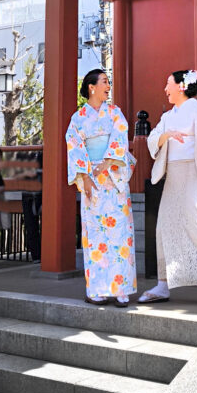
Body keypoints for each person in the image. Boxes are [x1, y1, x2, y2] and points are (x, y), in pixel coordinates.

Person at [140, 69, 197, 308]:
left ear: (181, 86)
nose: (165, 89)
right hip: (174, 177)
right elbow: (154, 138)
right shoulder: (169, 116)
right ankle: (163, 282)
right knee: (164, 226)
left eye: (168, 84)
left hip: (193, 173)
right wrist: (168, 134)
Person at [66, 69, 136, 306]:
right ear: (91, 87)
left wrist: (107, 162)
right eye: (105, 82)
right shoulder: (78, 118)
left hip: (113, 178)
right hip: (92, 182)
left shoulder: (115, 113)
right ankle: (97, 288)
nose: (109, 86)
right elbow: (74, 148)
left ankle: (120, 289)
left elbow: (120, 139)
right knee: (95, 235)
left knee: (120, 234)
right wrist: (84, 177)